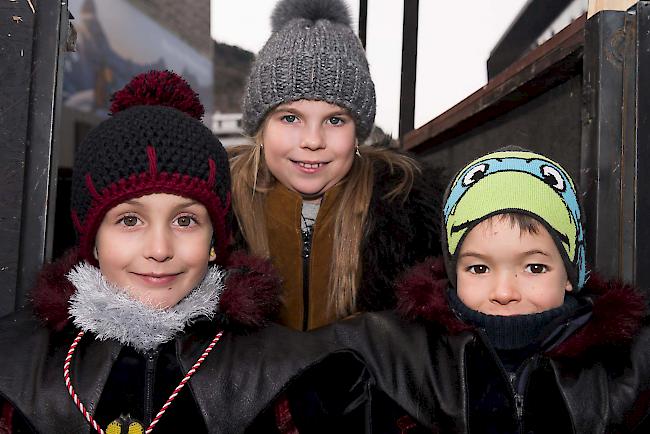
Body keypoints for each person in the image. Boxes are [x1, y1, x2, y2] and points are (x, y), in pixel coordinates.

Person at [0, 71, 370, 434]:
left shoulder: (289, 376)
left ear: (214, 241)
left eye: (185, 221)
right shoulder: (16, 368)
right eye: (130, 221)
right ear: (92, 239)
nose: (160, 250)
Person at [321, 148, 650, 433]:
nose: (504, 292)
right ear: (453, 274)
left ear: (570, 275)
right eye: (479, 268)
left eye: (534, 268)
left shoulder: (628, 369)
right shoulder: (396, 359)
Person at [229, 0, 444, 331]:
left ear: (358, 133)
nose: (313, 140)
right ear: (260, 128)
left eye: (335, 120)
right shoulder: (216, 211)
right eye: (290, 117)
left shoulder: (409, 218)